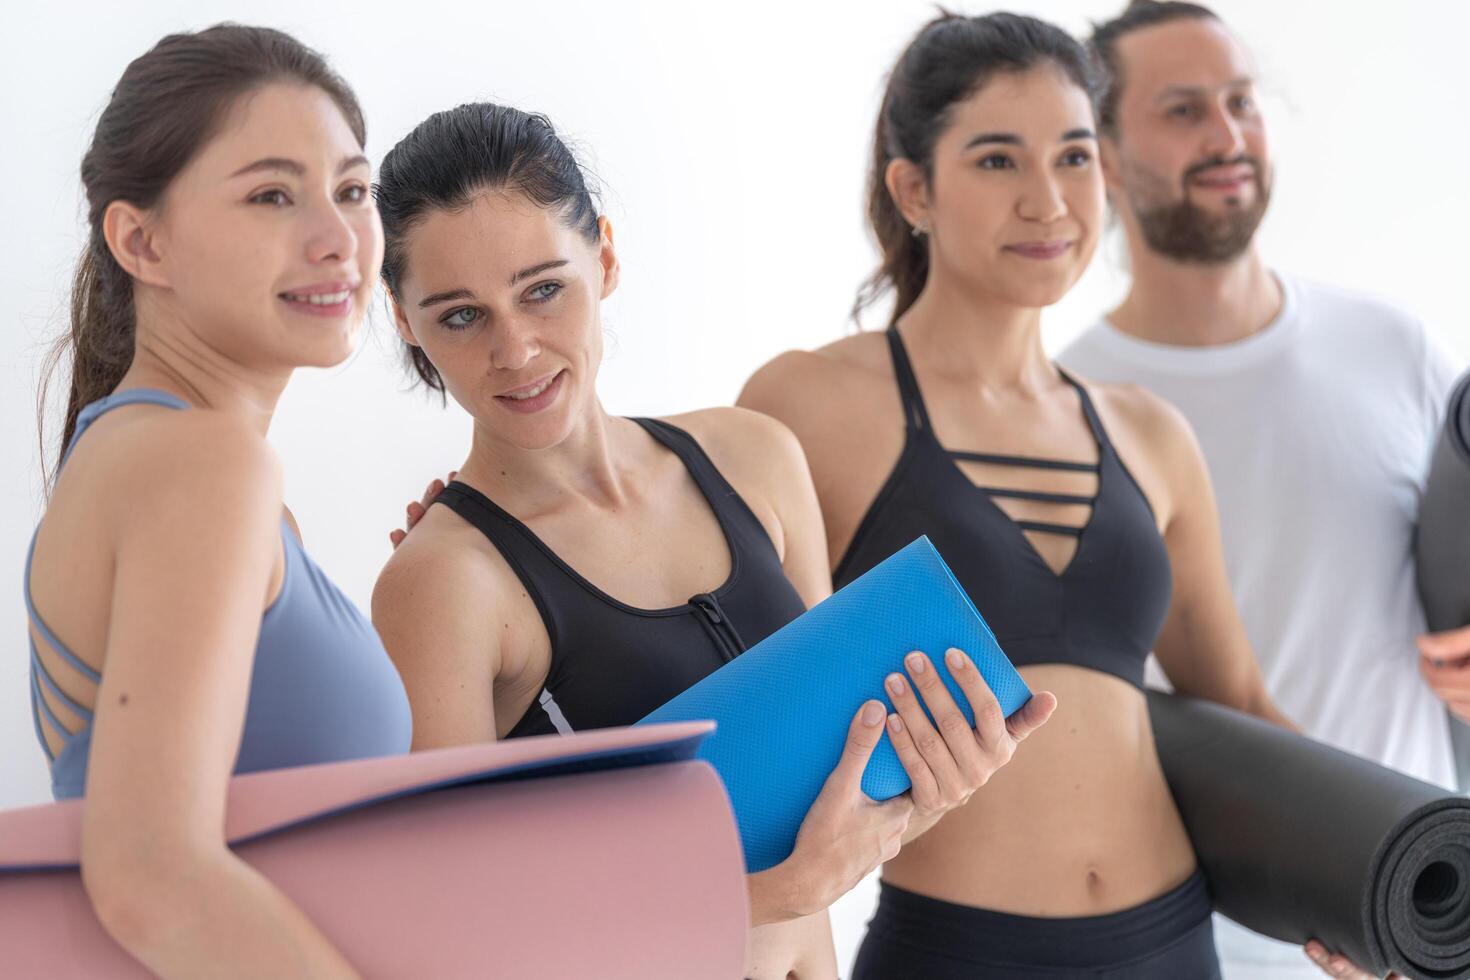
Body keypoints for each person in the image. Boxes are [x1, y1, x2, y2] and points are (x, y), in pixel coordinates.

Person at [369, 102, 1056, 980]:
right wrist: (767, 894)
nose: (515, 349)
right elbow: (453, 935)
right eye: (460, 316)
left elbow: (827, 812)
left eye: (544, 289)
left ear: (605, 258)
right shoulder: (446, 582)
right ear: (402, 319)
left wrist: (926, 786)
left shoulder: (754, 457)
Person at [739, 12, 1301, 978]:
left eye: (1075, 157)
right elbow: (723, 673)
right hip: (955, 951)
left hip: (1172, 944)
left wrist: (1377, 873)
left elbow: (1239, 701)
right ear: (914, 189)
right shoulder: (813, 404)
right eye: (998, 161)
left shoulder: (1150, 433)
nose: (1048, 202)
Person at [1059, 3, 1465, 976]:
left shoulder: (1389, 345)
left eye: (1242, 101)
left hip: (1430, 908)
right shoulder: (1066, 405)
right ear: (1102, 156)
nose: (1229, 134)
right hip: (1204, 941)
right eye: (1184, 109)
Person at [23, 25, 410, 978]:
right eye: (273, 195)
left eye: (353, 191)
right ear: (140, 240)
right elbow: (150, 875)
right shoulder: (201, 466)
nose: (337, 239)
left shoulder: (145, 455)